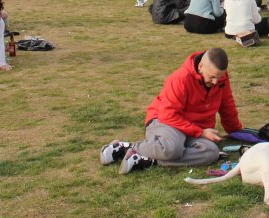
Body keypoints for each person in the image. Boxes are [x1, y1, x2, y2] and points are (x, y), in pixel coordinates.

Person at [101, 48, 244, 174]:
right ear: (200, 67)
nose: (215, 82)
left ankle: (149, 160)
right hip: (167, 122)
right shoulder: (180, 78)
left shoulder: (221, 79)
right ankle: (128, 147)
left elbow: (227, 106)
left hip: (193, 128)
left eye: (219, 77)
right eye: (212, 77)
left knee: (211, 152)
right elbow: (167, 115)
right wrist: (200, 132)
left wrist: (236, 131)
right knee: (172, 149)